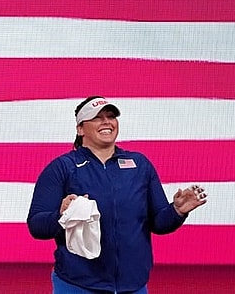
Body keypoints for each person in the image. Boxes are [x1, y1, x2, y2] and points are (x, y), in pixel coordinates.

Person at [27, 96, 207, 294]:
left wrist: (177, 211)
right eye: (97, 117)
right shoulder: (62, 168)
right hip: (77, 284)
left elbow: (159, 223)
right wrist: (62, 216)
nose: (106, 122)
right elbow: (36, 225)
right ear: (80, 129)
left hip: (133, 286)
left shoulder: (139, 165)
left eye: (111, 116)